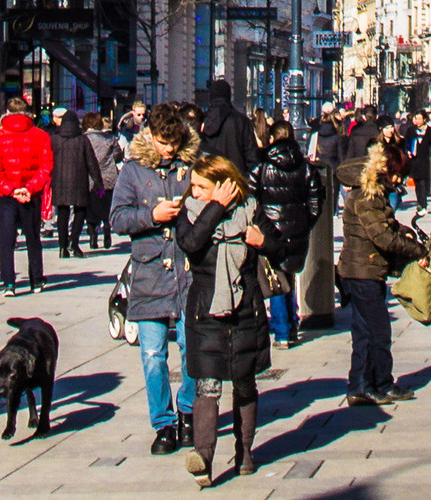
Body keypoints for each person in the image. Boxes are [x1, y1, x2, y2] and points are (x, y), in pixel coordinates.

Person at [175, 155, 284, 486]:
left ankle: (245, 452)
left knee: (244, 383)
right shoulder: (190, 212)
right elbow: (191, 243)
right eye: (193, 186)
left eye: (203, 187)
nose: (195, 192)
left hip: (244, 309)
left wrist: (262, 242)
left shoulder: (249, 210)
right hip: (206, 311)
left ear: (225, 185)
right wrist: (214, 208)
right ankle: (203, 458)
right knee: (207, 386)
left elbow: (281, 249)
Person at [109, 104, 198, 456]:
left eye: (174, 142)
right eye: (164, 142)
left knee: (191, 350)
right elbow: (117, 218)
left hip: (186, 271)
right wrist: (152, 215)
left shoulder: (190, 168)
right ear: (151, 137)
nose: (169, 149)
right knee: (151, 354)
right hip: (147, 272)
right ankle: (163, 424)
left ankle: (188, 412)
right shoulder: (133, 171)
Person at [335, 143, 427, 407]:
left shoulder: (373, 194)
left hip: (365, 269)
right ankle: (371, 385)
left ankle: (367, 385)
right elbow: (382, 236)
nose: (399, 179)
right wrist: (416, 251)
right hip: (362, 271)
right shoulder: (368, 195)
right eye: (397, 173)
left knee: (366, 331)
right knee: (377, 331)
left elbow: (386, 225)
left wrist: (403, 231)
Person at [248, 121, 324, 349]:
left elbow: (251, 199)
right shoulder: (306, 167)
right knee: (287, 275)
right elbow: (315, 203)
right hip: (296, 230)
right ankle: (290, 325)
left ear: (272, 139)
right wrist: (304, 224)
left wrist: (260, 224)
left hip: (269, 229)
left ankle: (282, 330)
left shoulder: (261, 166)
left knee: (275, 279)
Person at [0, 97, 53, 297]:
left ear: (7, 113)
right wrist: (30, 188)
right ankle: (36, 280)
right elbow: (46, 166)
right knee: (33, 238)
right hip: (30, 195)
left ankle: (9, 283)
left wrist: (9, 189)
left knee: (6, 241)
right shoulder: (41, 136)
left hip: (6, 195)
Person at [50, 110, 102, 259]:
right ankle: (74, 242)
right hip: (79, 179)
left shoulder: (54, 139)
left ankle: (62, 246)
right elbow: (91, 162)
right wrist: (98, 183)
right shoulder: (82, 140)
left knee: (62, 212)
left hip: (59, 180)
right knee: (80, 210)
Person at [83, 111, 123, 249]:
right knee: (106, 205)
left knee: (91, 207)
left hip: (90, 180)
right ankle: (107, 227)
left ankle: (93, 233)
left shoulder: (84, 139)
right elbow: (118, 155)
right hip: (108, 178)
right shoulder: (109, 139)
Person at [200, 80, 259, 172]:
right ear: (228, 96)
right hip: (236, 176)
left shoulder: (203, 120)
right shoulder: (241, 120)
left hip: (210, 176)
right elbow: (251, 155)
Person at [404, 111, 431, 213]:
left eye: (419, 119)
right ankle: (421, 203)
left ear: (424, 120)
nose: (416, 121)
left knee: (423, 182)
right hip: (415, 162)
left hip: (426, 161)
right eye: (415, 119)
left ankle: (423, 204)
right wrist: (407, 151)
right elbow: (406, 143)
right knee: (418, 183)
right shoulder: (411, 131)